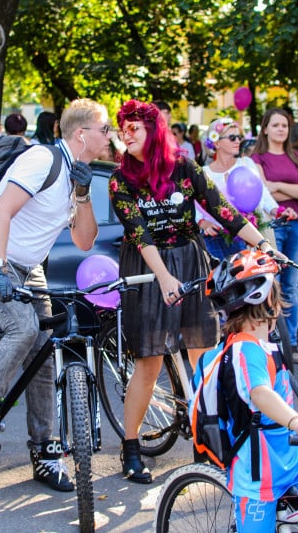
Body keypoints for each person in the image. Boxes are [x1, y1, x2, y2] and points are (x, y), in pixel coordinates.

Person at [109, 99, 276, 484]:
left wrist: (263, 245)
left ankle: (211, 439)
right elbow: (139, 233)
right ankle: (131, 447)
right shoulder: (120, 180)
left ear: (154, 131)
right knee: (149, 363)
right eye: (123, 127)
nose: (126, 134)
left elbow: (224, 210)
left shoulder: (184, 168)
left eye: (134, 127)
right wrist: (165, 277)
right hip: (148, 268)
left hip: (189, 259)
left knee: (203, 357)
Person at [0, 98, 112, 492]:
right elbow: (2, 213)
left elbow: (83, 240)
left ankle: (45, 453)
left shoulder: (77, 174)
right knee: (23, 328)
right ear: (82, 134)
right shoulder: (42, 159)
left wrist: (83, 192)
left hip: (30, 268)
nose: (109, 137)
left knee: (44, 353)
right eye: (105, 129)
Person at [201, 249, 298, 532]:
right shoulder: (245, 348)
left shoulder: (267, 343)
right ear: (270, 298)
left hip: (293, 461)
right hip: (259, 478)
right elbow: (260, 393)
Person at [251, 108, 298, 365]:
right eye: (275, 125)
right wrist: (284, 191)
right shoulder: (257, 158)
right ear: (265, 129)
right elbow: (262, 192)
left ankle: (292, 343)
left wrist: (278, 187)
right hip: (272, 224)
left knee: (291, 285)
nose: (280, 130)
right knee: (271, 283)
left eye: (284, 125)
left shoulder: (297, 157)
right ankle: (272, 340)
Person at [199, 117, 281, 260]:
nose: (237, 141)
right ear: (216, 142)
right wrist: (202, 222)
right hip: (215, 239)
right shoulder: (204, 172)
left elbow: (262, 193)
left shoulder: (246, 164)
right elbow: (193, 203)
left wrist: (277, 210)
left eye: (239, 137)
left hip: (247, 236)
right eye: (232, 137)